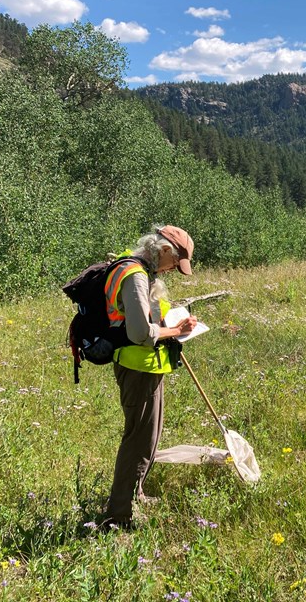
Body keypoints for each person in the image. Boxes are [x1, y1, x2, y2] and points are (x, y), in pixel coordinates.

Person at [102, 225, 198, 529]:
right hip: (138, 365)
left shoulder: (134, 265)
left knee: (149, 435)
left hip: (147, 365)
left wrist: (176, 319)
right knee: (139, 439)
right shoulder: (136, 275)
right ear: (165, 250)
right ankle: (119, 515)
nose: (172, 270)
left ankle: (136, 493)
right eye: (175, 263)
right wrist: (177, 332)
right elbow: (140, 332)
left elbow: (147, 314)